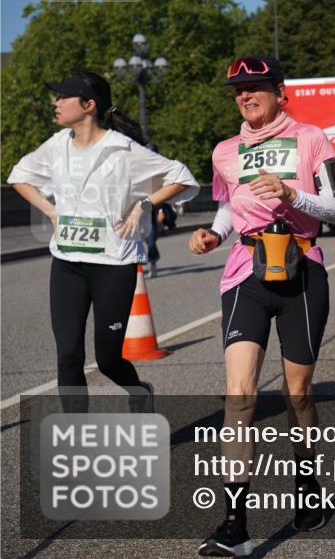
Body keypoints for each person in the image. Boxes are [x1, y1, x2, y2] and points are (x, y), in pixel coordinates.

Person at [188, 56, 335, 556]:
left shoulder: (312, 138)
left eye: (255, 86)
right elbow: (226, 206)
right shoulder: (225, 151)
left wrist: (292, 193)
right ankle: (234, 524)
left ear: (281, 91)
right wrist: (213, 234)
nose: (245, 95)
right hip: (244, 274)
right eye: (238, 89)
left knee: (299, 394)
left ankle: (307, 488)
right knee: (240, 395)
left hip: (301, 271)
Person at [8, 71, 198, 413]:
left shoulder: (124, 150)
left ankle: (138, 390)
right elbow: (19, 176)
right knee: (68, 355)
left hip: (114, 264)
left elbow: (181, 177)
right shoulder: (56, 145)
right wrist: (51, 211)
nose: (57, 102)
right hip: (67, 261)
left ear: (89, 104)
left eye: (64, 96)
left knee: (108, 359)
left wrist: (143, 205)